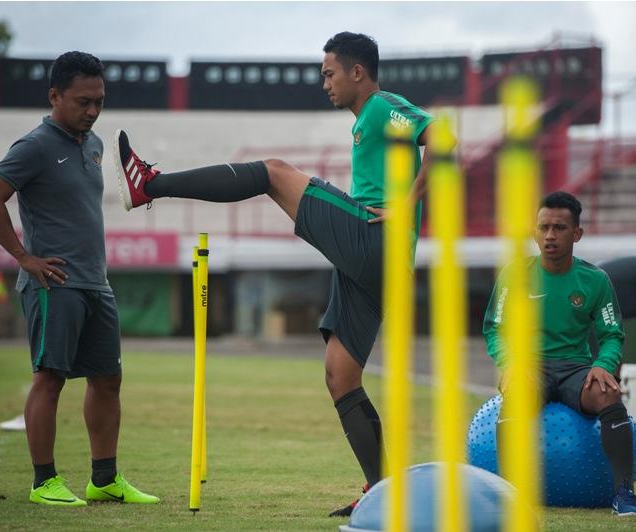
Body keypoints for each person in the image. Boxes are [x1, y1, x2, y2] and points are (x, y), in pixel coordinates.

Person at [112, 32, 440, 516]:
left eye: (329, 73)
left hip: (378, 241)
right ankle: (382, 493)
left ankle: (151, 185)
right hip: (379, 266)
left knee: (272, 171)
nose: (323, 82)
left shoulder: (383, 106)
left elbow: (444, 140)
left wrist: (407, 206)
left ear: (357, 72)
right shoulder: (366, 120)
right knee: (340, 377)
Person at [0, 51, 158, 507]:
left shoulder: (93, 144)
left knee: (107, 379)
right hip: (55, 284)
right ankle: (44, 482)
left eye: (99, 101)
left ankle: (104, 479)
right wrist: (25, 258)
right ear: (54, 96)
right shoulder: (35, 145)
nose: (92, 111)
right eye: (82, 102)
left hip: (96, 282)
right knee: (50, 379)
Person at [484, 191, 636, 517]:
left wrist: (602, 365)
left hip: (576, 369)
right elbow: (494, 329)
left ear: (577, 234)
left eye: (559, 228)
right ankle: (512, 493)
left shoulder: (596, 280)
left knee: (608, 394)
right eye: (543, 227)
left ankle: (624, 494)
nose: (550, 236)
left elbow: (612, 334)